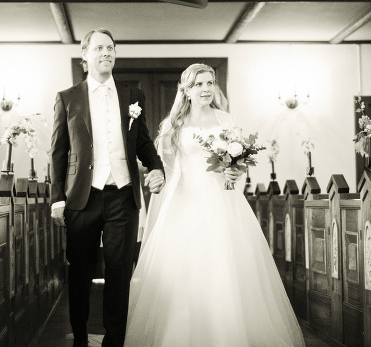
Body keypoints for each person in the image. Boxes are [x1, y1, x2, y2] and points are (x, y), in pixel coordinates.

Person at [124, 63, 305, 347]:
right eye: (198, 84)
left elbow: (237, 162)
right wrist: (157, 179)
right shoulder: (174, 125)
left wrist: (235, 171)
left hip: (223, 201)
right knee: (184, 270)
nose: (205, 89)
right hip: (185, 201)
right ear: (186, 90)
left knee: (225, 266)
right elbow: (165, 167)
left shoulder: (226, 120)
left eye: (209, 83)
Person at [50, 28, 165, 347]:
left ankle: (115, 341)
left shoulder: (133, 95)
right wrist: (57, 199)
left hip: (122, 197)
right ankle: (80, 339)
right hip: (82, 198)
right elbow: (58, 151)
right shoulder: (67, 97)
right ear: (85, 55)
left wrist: (156, 167)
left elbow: (142, 141)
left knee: (119, 273)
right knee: (80, 274)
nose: (106, 52)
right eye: (99, 47)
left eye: (111, 47)